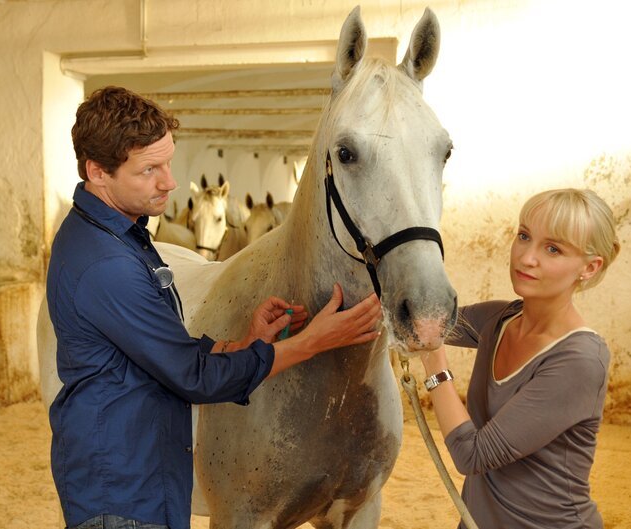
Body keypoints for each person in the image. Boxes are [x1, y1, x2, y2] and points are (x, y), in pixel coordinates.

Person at [46, 86, 382, 529]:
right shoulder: (106, 264)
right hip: (121, 490)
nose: (169, 182)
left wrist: (244, 343)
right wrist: (311, 342)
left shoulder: (119, 235)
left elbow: (166, 350)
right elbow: (193, 378)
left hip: (139, 470)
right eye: (149, 170)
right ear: (98, 172)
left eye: (168, 163)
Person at [420, 188, 620, 529]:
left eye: (553, 249)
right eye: (524, 236)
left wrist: (433, 361)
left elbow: (473, 456)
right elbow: (417, 321)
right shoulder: (497, 318)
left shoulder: (580, 360)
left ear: (589, 267)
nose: (526, 257)